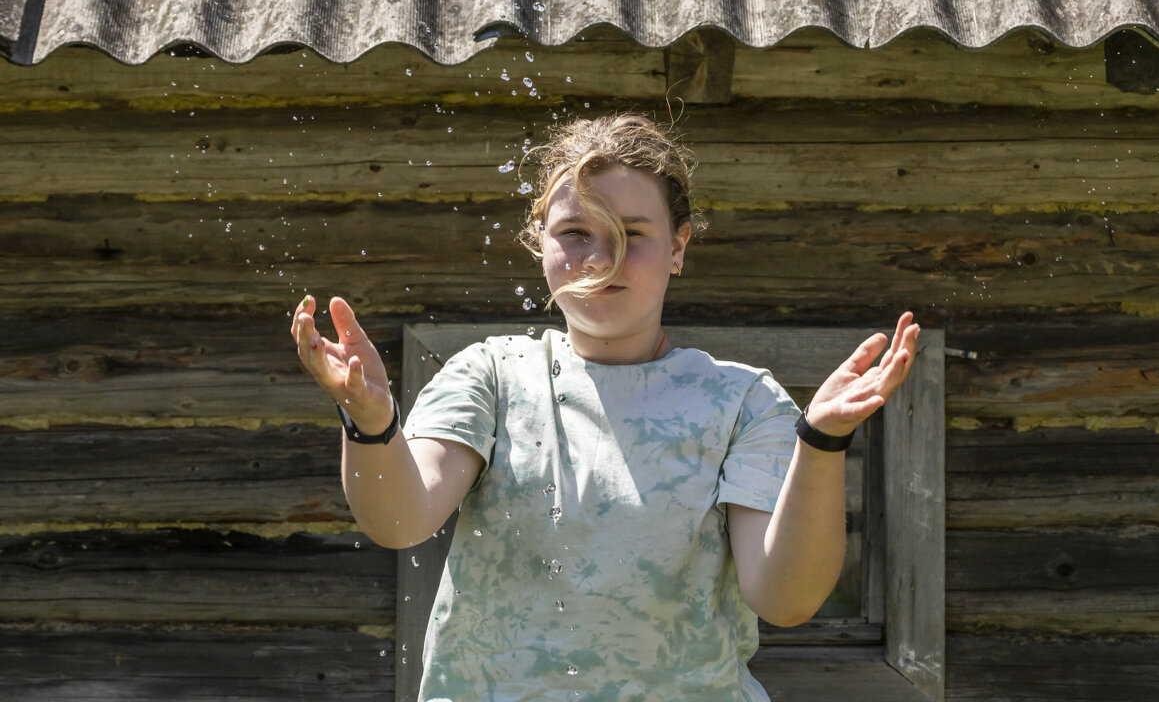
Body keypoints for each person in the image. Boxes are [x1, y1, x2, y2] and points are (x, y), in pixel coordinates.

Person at [290, 113, 919, 701]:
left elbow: (785, 598)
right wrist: (371, 426)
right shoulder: (492, 375)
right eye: (575, 233)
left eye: (632, 235)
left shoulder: (743, 403)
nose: (601, 258)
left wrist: (822, 442)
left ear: (679, 247)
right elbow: (400, 520)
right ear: (538, 243)